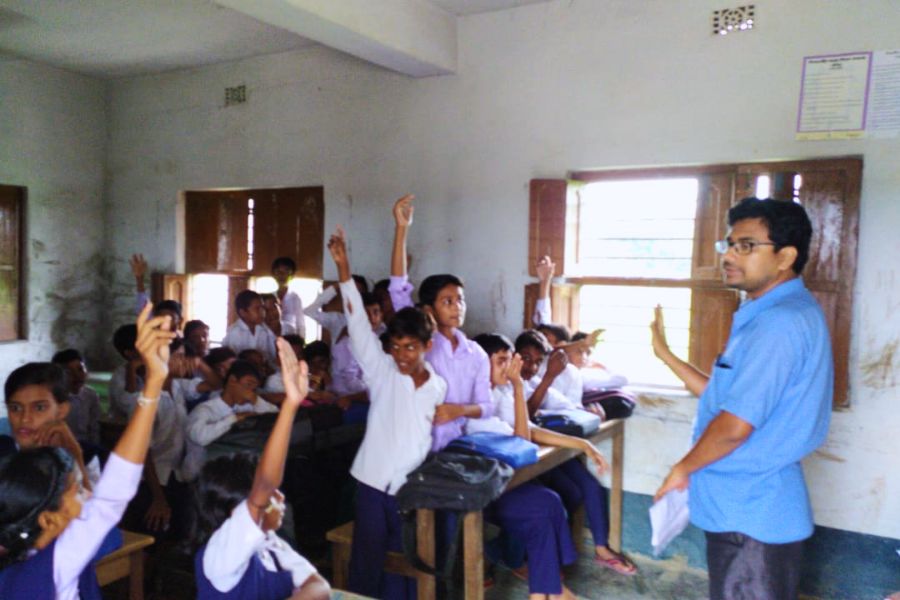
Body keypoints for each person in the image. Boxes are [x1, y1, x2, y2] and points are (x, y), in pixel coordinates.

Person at [651, 197, 833, 600]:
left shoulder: (778, 324)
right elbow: (723, 399)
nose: (730, 255)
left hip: (751, 517)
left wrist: (681, 469)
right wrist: (666, 356)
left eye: (747, 246)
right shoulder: (774, 312)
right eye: (729, 244)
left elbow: (734, 427)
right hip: (748, 509)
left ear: (785, 256)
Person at [0, 303, 173, 599]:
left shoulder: (81, 457)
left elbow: (108, 526)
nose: (26, 419)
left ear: (63, 410)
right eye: (16, 408)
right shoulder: (54, 566)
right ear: (49, 520)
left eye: (39, 407)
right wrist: (153, 384)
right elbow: (110, 497)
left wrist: (77, 455)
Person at [328, 226, 447, 600]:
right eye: (395, 346)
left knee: (408, 563)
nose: (401, 355)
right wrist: (345, 270)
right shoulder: (381, 372)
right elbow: (359, 326)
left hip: (409, 488)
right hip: (372, 484)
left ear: (428, 346)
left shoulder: (437, 387)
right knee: (368, 562)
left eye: (410, 348)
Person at [191, 337, 330, 600]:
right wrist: (290, 405)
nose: (279, 496)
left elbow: (318, 585)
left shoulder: (271, 545)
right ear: (237, 512)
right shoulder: (222, 553)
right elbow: (265, 486)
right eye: (270, 496)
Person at [388, 194, 493, 451]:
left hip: (454, 447)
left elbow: (487, 406)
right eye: (447, 301)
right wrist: (402, 229)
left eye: (460, 300)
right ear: (428, 309)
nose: (457, 307)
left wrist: (459, 410)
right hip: (411, 446)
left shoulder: (476, 353)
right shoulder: (420, 341)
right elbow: (398, 286)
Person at [183, 360, 279, 481]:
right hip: (200, 476)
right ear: (232, 380)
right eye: (248, 385)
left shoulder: (247, 407)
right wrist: (233, 419)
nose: (249, 392)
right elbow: (200, 438)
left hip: (231, 477)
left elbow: (276, 417)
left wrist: (255, 399)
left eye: (254, 389)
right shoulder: (205, 409)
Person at [50, 349, 101, 446]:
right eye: (69, 372)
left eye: (80, 369)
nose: (77, 376)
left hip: (87, 446)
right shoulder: (53, 398)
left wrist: (95, 449)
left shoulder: (91, 395)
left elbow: (94, 428)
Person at [223, 290, 278, 364]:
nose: (262, 312)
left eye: (262, 308)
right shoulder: (235, 332)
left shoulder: (263, 330)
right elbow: (234, 362)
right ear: (243, 313)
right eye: (257, 309)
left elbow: (269, 356)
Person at [271, 256, 306, 338]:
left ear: (292, 275)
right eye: (278, 271)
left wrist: (301, 343)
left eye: (286, 271)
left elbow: (301, 325)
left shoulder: (295, 298)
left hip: (290, 340)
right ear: (273, 274)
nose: (281, 275)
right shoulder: (270, 298)